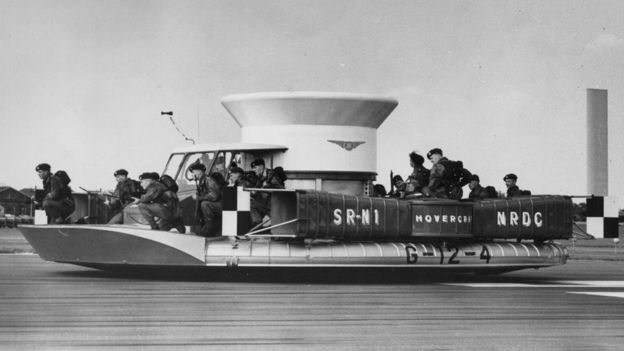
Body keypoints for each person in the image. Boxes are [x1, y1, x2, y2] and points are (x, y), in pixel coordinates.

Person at [190, 162, 224, 237]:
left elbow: (214, 196)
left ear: (199, 172)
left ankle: (210, 227)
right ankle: (203, 226)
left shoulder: (208, 180)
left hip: (222, 205)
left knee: (205, 204)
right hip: (217, 205)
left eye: (193, 172)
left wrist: (199, 198)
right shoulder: (202, 181)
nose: (192, 174)